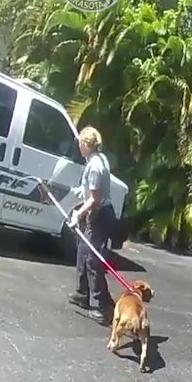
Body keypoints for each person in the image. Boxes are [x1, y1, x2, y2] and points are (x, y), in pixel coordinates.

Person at [66, 126, 116, 324]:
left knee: (92, 260)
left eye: (80, 142)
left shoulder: (96, 165)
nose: (78, 145)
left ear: (86, 144)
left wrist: (78, 213)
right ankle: (82, 293)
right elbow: (87, 192)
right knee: (82, 252)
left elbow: (95, 199)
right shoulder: (96, 159)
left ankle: (105, 308)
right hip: (95, 213)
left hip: (101, 215)